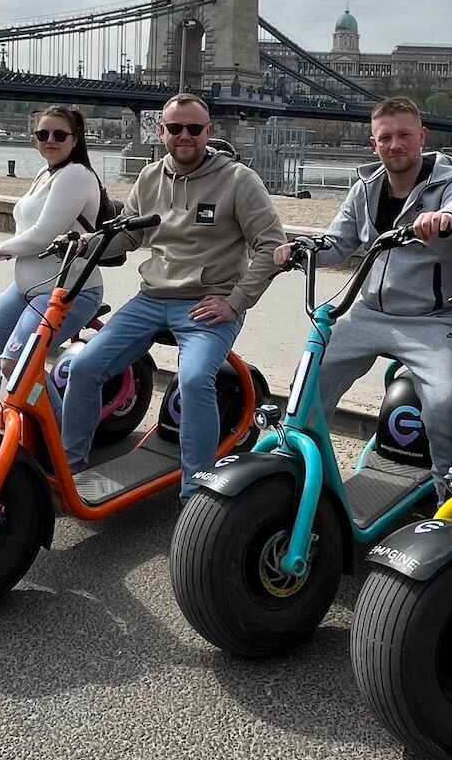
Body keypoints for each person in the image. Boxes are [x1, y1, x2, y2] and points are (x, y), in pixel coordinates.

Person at [59, 93, 285, 498]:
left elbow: (271, 246)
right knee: (84, 366)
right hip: (152, 298)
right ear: (161, 131)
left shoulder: (238, 180)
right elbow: (129, 234)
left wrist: (235, 302)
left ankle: (195, 492)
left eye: (194, 129)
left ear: (209, 132)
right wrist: (82, 245)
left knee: (196, 379)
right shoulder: (149, 177)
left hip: (209, 300)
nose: (184, 136)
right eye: (175, 128)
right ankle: (71, 469)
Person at [274, 96, 452, 492]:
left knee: (443, 405)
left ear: (422, 136)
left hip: (433, 320)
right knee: (310, 380)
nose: (395, 145)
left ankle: (449, 497)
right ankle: (296, 474)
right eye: (385, 137)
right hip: (368, 312)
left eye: (405, 135)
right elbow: (337, 243)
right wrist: (301, 250)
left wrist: (446, 219)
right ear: (373, 143)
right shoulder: (364, 188)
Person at [0, 106, 111, 423]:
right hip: (28, 288)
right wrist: (1, 246)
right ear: (34, 140)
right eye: (43, 134)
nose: (50, 140)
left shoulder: (76, 174)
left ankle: (57, 435)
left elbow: (45, 235)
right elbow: (29, 228)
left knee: (16, 364)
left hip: (69, 290)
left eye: (60, 135)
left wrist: (0, 249)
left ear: (76, 139)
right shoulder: (46, 173)